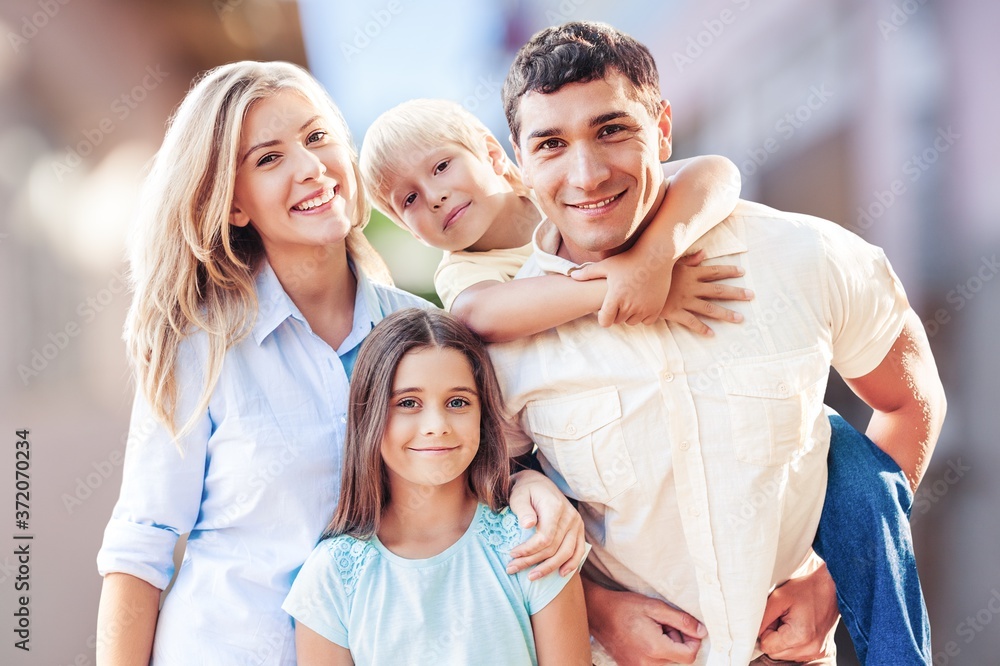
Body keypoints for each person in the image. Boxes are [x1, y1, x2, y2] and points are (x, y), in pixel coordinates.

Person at [94, 61, 585, 666]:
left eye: (318, 137)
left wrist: (529, 480)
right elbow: (140, 544)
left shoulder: (430, 337)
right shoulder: (200, 347)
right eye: (269, 158)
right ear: (235, 204)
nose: (309, 167)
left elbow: (483, 489)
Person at [489, 21, 947, 666]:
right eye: (551, 144)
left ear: (663, 127)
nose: (586, 174)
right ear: (518, 161)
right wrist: (595, 608)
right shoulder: (504, 342)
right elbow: (476, 501)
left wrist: (830, 583)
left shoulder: (806, 256)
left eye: (612, 130)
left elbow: (909, 400)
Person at [283, 308, 592, 665]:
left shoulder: (532, 544)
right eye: (408, 403)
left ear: (483, 415)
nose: (436, 425)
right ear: (369, 416)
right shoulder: (331, 577)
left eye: (457, 402)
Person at [360, 98, 750, 342]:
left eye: (442, 166)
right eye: (409, 199)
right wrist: (627, 284)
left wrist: (655, 257)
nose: (435, 197)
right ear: (408, 229)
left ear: (493, 156)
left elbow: (715, 172)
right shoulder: (462, 271)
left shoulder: (560, 191)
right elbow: (479, 314)